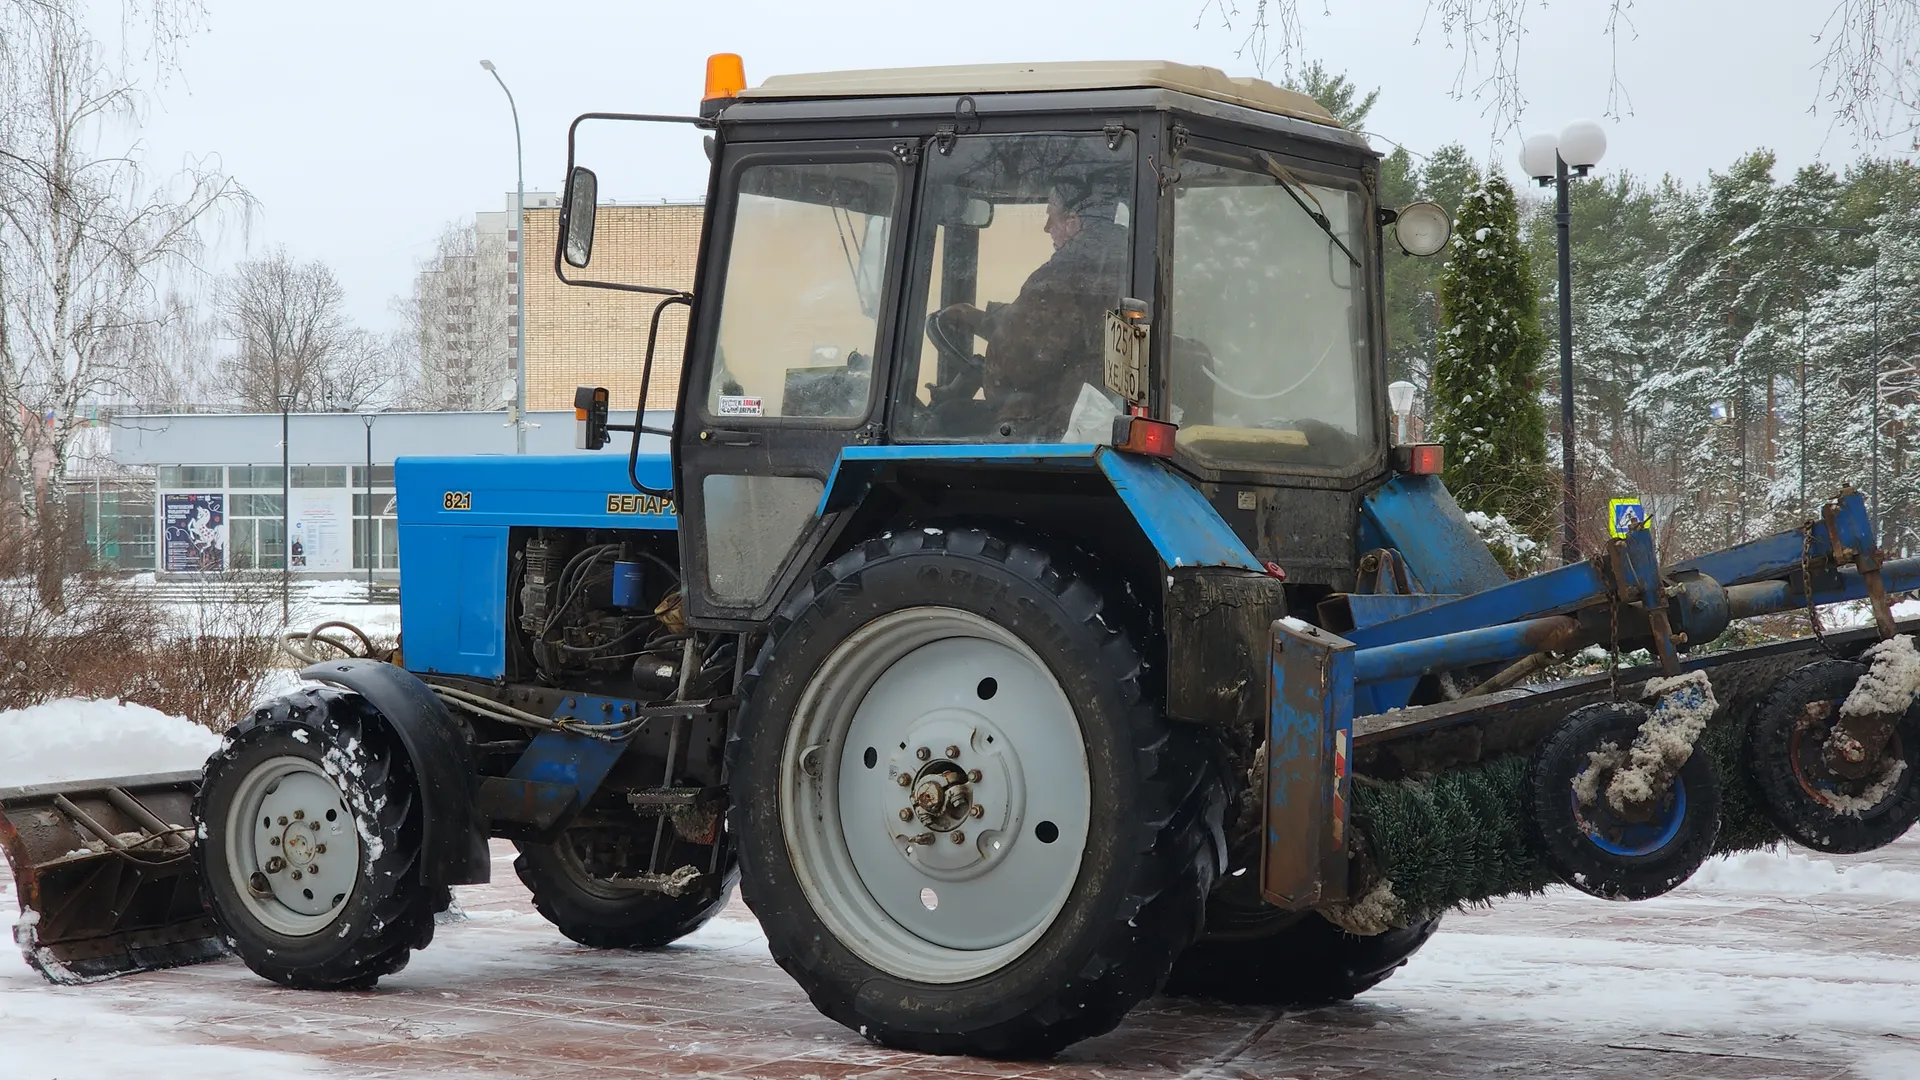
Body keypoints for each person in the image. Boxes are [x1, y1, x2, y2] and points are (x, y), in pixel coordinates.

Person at [936, 173, 1130, 439]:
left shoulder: (1061, 279)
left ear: (1073, 222)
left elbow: (1020, 362)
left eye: (1052, 214)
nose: (1047, 226)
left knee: (945, 417)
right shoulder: (1119, 271)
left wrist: (988, 364)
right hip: (1082, 411)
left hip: (1048, 422)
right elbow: (1055, 330)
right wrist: (984, 319)